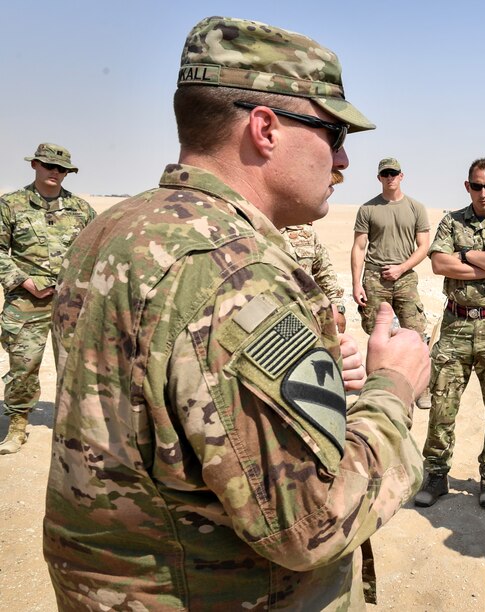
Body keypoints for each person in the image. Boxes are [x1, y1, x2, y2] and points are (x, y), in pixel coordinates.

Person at [42, 16, 430, 610]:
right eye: (332, 131)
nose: (344, 159)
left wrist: (315, 375)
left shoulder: (114, 229)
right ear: (266, 128)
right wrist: (393, 388)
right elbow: (310, 526)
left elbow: (167, 405)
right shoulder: (235, 274)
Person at [413, 158, 485, 509]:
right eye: (477, 186)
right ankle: (436, 474)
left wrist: (466, 257)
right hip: (456, 324)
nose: (483, 193)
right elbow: (438, 264)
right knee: (442, 405)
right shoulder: (451, 222)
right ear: (468, 186)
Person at [0, 143, 95, 455]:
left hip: (71, 302)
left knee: (77, 365)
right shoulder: (10, 205)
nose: (55, 172)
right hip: (26, 302)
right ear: (35, 166)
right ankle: (17, 424)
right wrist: (24, 281)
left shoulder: (81, 210)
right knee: (23, 364)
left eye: (61, 169)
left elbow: (97, 250)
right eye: (48, 165)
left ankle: (76, 425)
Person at [351, 157, 432, 408]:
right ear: (379, 178)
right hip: (375, 277)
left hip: (405, 276)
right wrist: (356, 283)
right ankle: (376, 385)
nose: (390, 178)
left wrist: (401, 268)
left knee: (415, 331)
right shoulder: (368, 209)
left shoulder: (416, 208)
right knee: (377, 333)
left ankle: (422, 388)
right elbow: (359, 247)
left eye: (394, 173)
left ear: (402, 175)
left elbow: (423, 246)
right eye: (385, 174)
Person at [282, 223, 347, 332]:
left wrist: (338, 307)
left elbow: (324, 272)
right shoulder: (253, 230)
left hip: (306, 313)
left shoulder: (306, 232)